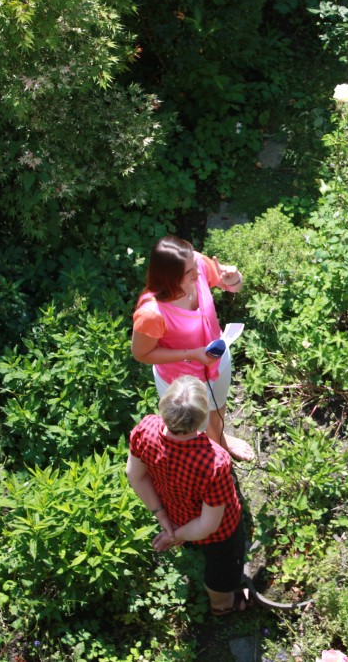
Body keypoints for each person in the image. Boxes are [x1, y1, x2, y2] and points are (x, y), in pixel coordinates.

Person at [126, 375, 250, 615]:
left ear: (164, 408)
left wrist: (165, 522)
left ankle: (190, 549)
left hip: (174, 515)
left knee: (195, 545)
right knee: (221, 569)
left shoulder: (146, 429)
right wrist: (175, 536)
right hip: (216, 533)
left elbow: (134, 474)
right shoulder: (214, 461)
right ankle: (222, 605)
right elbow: (208, 525)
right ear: (202, 418)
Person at [132, 235, 254, 461]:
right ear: (169, 277)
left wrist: (234, 278)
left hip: (217, 358)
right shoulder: (152, 312)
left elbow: (233, 286)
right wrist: (192, 355)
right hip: (182, 381)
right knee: (193, 427)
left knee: (218, 404)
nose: (199, 273)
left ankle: (220, 442)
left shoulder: (195, 262)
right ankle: (204, 459)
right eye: (190, 272)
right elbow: (141, 354)